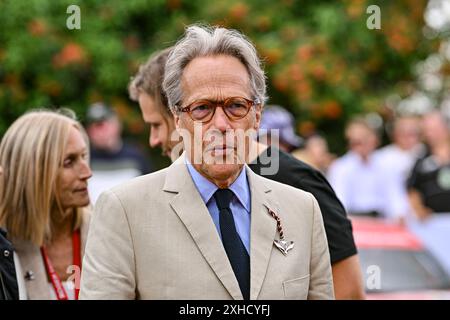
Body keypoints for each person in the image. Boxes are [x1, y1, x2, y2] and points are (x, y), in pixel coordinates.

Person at [80, 24, 334, 300]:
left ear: (257, 115)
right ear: (178, 118)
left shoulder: (303, 210)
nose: (221, 124)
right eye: (202, 109)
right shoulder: (124, 211)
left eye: (236, 106)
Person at [127, 48, 364, 299]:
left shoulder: (296, 184)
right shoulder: (151, 203)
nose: (154, 139)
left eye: (155, 125)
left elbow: (348, 290)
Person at [0, 109, 92, 300]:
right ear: (31, 170)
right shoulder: (5, 248)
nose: (87, 172)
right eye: (69, 162)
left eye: (84, 156)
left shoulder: (106, 232)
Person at [85, 102, 153, 204]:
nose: (99, 132)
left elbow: (150, 193)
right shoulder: (85, 160)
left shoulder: (135, 157)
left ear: (116, 124)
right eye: (93, 127)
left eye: (102, 125)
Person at [327, 117, 387, 217]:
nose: (363, 144)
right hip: (355, 219)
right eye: (357, 141)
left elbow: (394, 198)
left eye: (365, 138)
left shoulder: (385, 164)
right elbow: (340, 201)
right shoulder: (340, 167)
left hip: (382, 220)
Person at [376, 115, 425, 221]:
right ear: (394, 134)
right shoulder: (380, 159)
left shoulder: (425, 155)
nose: (407, 137)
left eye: (412, 133)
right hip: (389, 219)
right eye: (402, 132)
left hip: (423, 220)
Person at [407, 111, 450, 219]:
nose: (429, 134)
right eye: (426, 131)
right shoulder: (421, 158)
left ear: (446, 128)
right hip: (433, 223)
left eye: (433, 129)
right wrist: (419, 209)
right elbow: (413, 188)